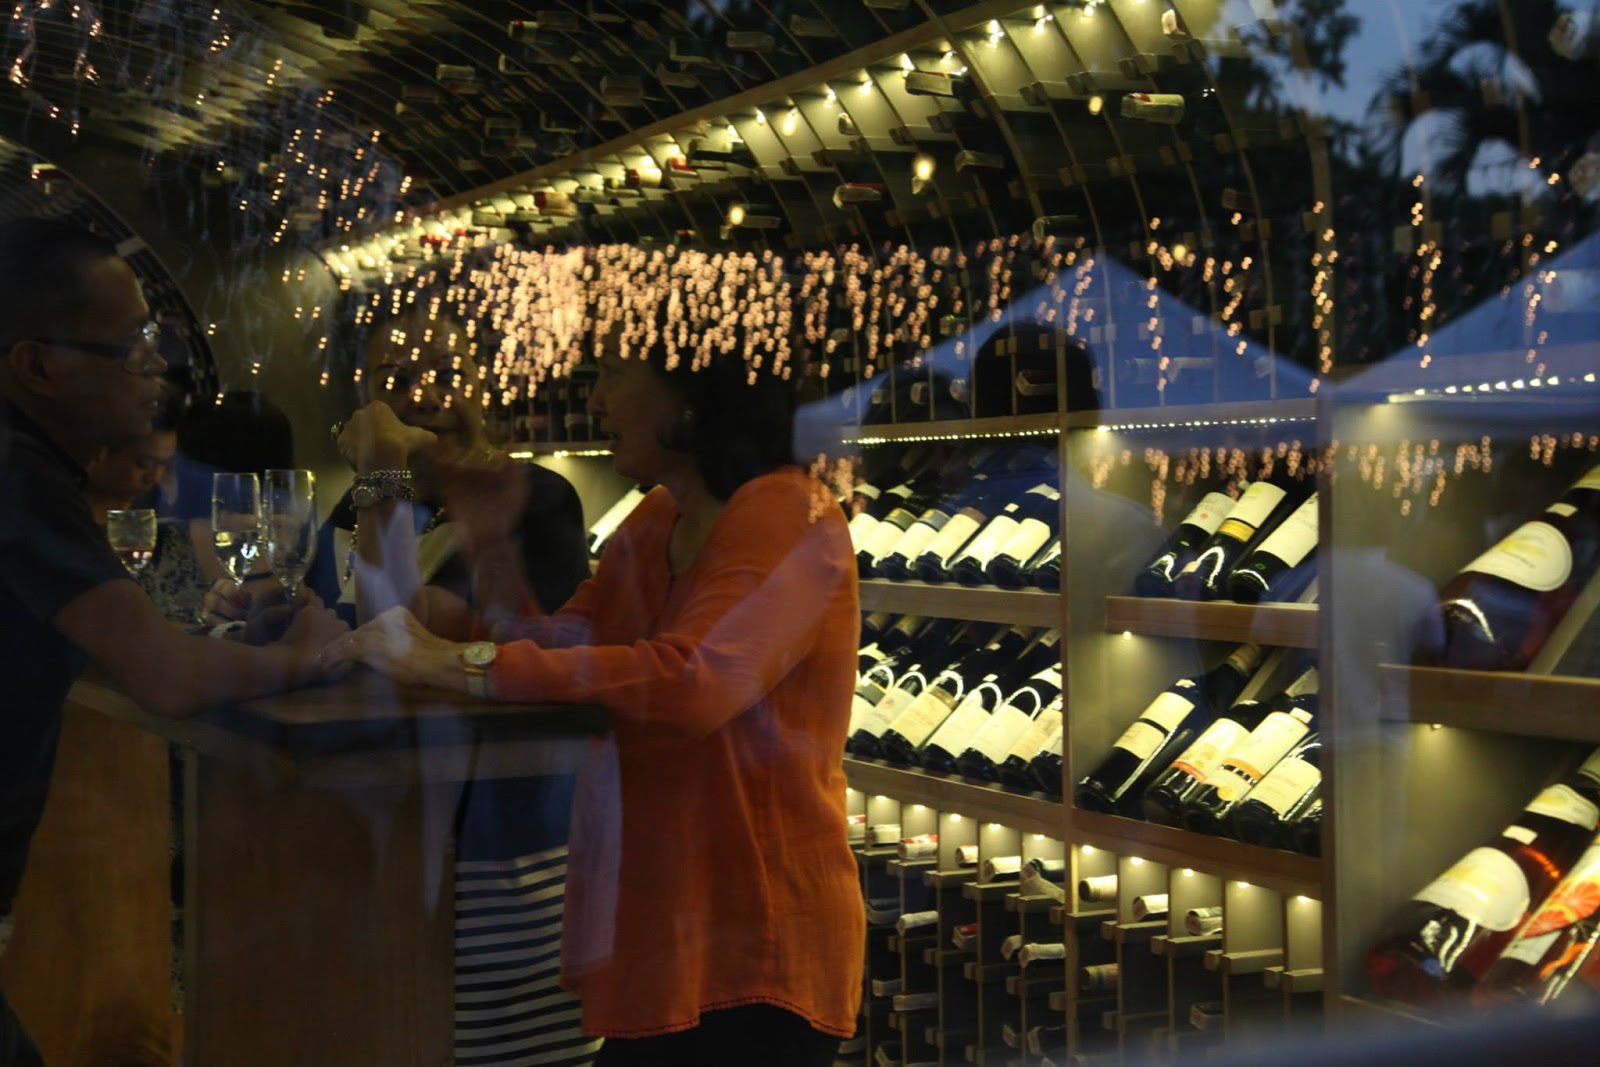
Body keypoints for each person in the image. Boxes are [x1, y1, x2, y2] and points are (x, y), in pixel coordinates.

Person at [328, 323, 867, 1067]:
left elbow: (692, 682)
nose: (596, 399)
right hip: (676, 930)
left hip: (756, 947)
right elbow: (560, 643)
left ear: (689, 393)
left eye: (613, 372)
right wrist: (472, 539)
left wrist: (464, 659)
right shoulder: (658, 519)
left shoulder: (788, 510)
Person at [0, 217, 347, 1065]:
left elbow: (121, 644)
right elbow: (163, 674)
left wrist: (228, 641)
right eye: (130, 348)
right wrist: (319, 655)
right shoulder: (17, 472)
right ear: (36, 366)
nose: (155, 369)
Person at [307, 309, 598, 1067]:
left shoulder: (534, 499)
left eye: (444, 372)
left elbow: (397, 634)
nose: (425, 394)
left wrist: (381, 471)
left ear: (480, 383)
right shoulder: (354, 505)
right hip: (379, 854)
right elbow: (328, 629)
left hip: (504, 869)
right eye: (396, 378)